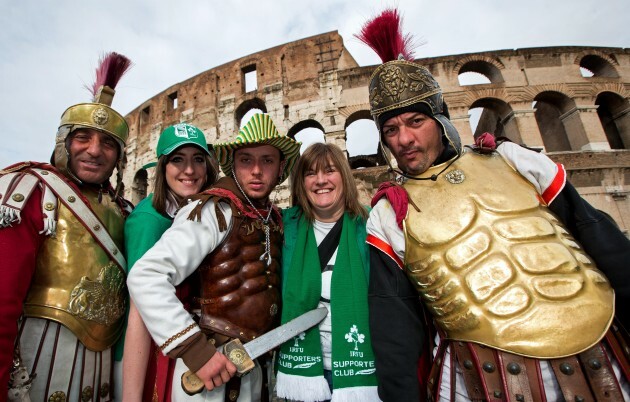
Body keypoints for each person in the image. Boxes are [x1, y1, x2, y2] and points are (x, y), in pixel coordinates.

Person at [356, 9, 630, 401]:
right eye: (391, 130)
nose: (404, 139)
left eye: (416, 121)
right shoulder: (387, 213)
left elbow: (598, 237)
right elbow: (394, 326)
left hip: (599, 351)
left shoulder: (511, 160)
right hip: (483, 375)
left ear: (440, 119)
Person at [127, 113, 301, 401]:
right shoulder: (212, 209)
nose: (256, 170)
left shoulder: (273, 217)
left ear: (281, 167)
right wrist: (196, 351)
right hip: (208, 368)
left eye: (267, 160)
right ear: (232, 165)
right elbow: (147, 276)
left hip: (253, 366)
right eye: (246, 160)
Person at [0, 52, 133, 402]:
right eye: (83, 138)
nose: (95, 151)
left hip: (104, 371)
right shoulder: (32, 192)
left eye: (108, 143)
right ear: (64, 142)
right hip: (36, 365)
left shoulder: (124, 211)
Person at [119, 123, 218, 402]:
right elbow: (139, 306)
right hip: (146, 352)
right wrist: (131, 396)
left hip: (172, 341)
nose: (189, 170)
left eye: (198, 160)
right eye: (178, 160)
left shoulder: (188, 211)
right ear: (162, 167)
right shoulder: (149, 219)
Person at [276, 143, 380, 402]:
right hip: (304, 373)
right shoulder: (282, 226)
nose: (321, 180)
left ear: (344, 176)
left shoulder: (374, 225)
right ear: (301, 182)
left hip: (365, 367)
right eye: (310, 173)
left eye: (330, 171)